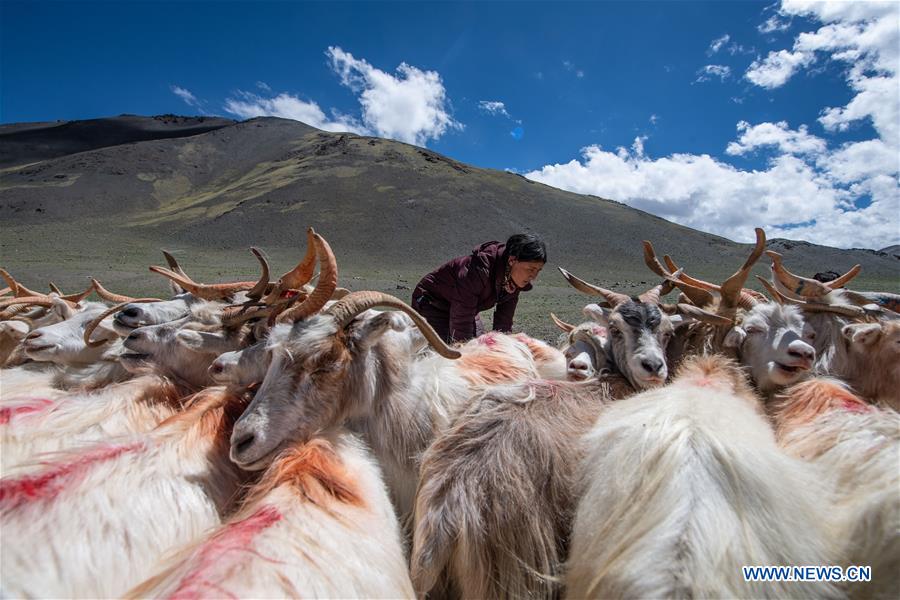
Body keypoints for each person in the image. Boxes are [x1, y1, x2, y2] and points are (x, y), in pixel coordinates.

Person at [411, 233, 546, 343]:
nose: (533, 276)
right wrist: (463, 352)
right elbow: (461, 318)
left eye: (538, 270)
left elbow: (503, 322)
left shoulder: (513, 281)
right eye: (531, 269)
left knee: (482, 346)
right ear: (512, 260)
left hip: (465, 309)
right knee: (448, 352)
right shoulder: (478, 270)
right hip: (432, 304)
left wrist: (503, 347)